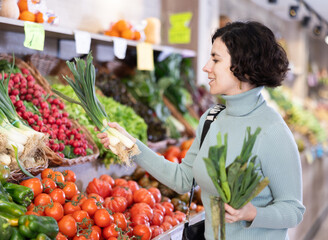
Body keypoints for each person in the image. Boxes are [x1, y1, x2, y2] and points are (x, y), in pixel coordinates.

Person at [97, 21, 305, 239]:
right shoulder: (211, 118)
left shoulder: (272, 131)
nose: (206, 67)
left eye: (215, 59)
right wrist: (131, 146)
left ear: (243, 66)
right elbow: (182, 179)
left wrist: (252, 213)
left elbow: (294, 210)